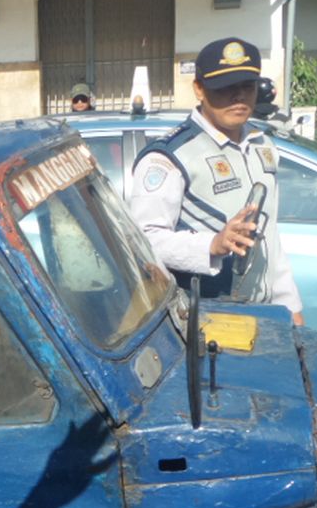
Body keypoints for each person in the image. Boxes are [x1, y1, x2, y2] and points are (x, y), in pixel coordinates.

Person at [126, 37, 303, 325]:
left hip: (263, 314)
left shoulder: (262, 146)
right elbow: (144, 240)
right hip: (204, 319)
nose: (238, 97)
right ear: (199, 89)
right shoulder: (169, 157)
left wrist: (290, 307)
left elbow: (270, 236)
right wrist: (212, 245)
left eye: (247, 87)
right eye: (225, 88)